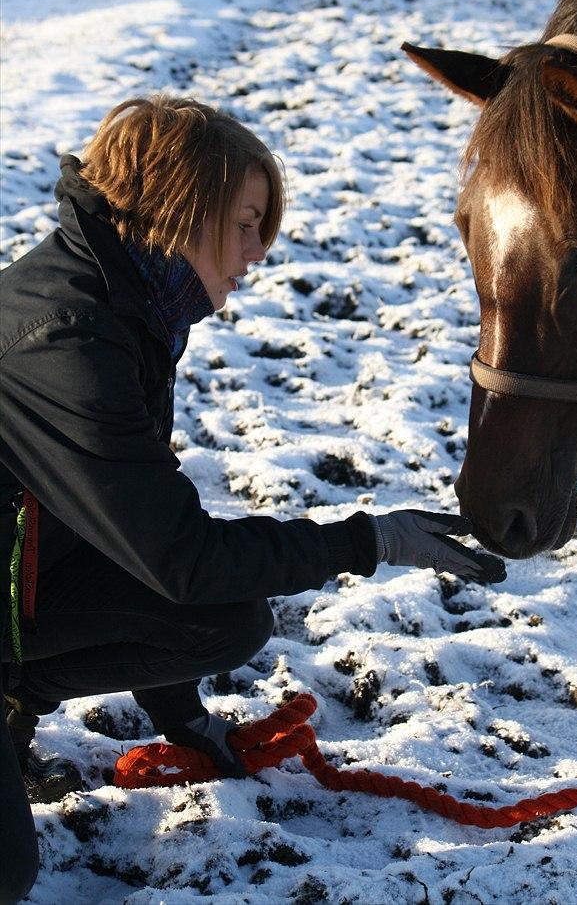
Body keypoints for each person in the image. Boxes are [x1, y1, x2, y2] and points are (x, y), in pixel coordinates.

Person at [0, 95, 505, 902]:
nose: (257, 252)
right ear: (178, 203)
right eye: (244, 223)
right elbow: (182, 559)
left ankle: (16, 692)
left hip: (18, 587)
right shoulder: (67, 335)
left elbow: (126, 541)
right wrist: (370, 540)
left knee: (227, 620)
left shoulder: (124, 304)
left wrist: (184, 724)